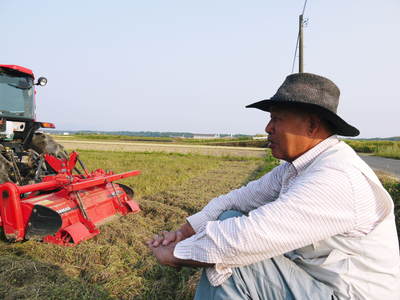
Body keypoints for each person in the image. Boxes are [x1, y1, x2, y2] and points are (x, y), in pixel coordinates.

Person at [146, 73, 400, 299]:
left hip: (347, 293)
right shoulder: (297, 167)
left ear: (312, 125)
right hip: (314, 281)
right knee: (229, 218)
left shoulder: (336, 177)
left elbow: (246, 239)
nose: (268, 128)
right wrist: (183, 233)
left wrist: (176, 252)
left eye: (277, 119)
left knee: (234, 265)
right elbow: (237, 200)